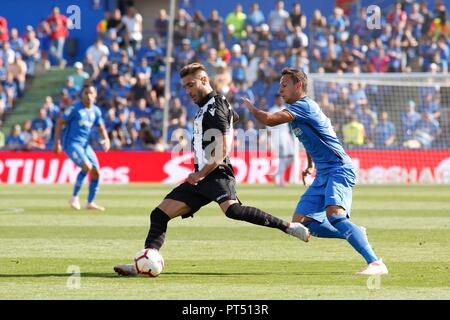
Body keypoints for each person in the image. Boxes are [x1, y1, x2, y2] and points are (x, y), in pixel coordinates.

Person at [114, 63, 310, 276]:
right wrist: (228, 117)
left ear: (204, 80)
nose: (188, 91)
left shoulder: (214, 107)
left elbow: (224, 147)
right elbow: (232, 117)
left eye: (191, 84)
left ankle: (289, 227)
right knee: (159, 214)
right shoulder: (213, 105)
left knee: (233, 211)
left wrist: (200, 173)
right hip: (202, 176)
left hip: (215, 173)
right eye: (185, 86)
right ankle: (144, 263)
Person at [240, 68, 388, 276]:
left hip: (338, 168)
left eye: (284, 85)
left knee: (335, 216)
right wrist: (310, 165)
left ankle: (375, 263)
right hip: (323, 173)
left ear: (298, 86)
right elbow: (310, 142)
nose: (280, 89)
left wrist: (252, 109)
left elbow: (269, 120)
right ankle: (353, 232)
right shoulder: (297, 113)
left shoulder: (304, 106)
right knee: (302, 222)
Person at [53, 84, 110, 211]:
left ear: (95, 95)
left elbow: (101, 127)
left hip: (85, 145)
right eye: (86, 93)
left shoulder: (96, 111)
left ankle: (90, 202)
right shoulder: (74, 108)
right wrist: (57, 142)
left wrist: (106, 139)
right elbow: (59, 122)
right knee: (87, 167)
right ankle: (74, 197)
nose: (88, 96)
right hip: (71, 144)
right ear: (82, 95)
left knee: (96, 172)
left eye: (91, 93)